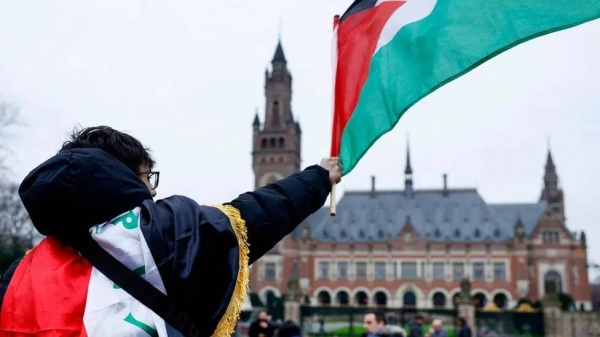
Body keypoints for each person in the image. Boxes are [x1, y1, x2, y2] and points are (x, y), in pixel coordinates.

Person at [0, 126, 342, 337]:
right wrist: (317, 177)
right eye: (147, 177)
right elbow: (253, 216)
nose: (153, 191)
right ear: (119, 176)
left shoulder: (22, 272)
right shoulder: (158, 232)